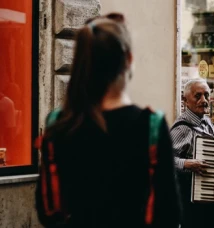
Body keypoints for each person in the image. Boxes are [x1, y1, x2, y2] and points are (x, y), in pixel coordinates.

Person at [35, 12, 181, 228]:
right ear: (128, 60)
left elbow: (48, 211)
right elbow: (169, 215)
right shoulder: (150, 125)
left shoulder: (59, 123)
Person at [170, 78, 214, 228]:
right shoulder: (182, 128)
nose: (204, 100)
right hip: (191, 204)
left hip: (210, 201)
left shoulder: (207, 123)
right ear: (185, 100)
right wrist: (185, 163)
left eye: (206, 95)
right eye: (198, 96)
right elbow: (163, 159)